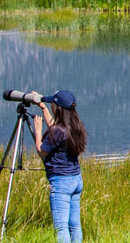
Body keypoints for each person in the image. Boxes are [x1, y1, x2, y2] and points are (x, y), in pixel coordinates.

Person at [31, 89, 87, 243]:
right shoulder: (75, 127)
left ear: (58, 108)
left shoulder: (58, 131)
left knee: (61, 227)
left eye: (52, 104)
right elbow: (54, 127)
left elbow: (42, 152)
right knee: (74, 225)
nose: (51, 106)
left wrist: (38, 131)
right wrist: (43, 107)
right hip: (76, 180)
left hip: (61, 183)